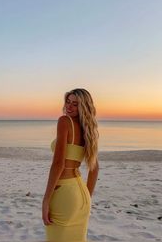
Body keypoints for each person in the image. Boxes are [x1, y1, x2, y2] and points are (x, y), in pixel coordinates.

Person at [42, 88, 99, 242]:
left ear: (83, 107)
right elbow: (94, 168)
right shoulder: (88, 130)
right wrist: (86, 196)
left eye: (75, 104)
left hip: (64, 193)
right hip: (82, 195)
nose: (69, 106)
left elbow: (58, 164)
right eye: (68, 102)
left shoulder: (64, 121)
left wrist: (46, 200)